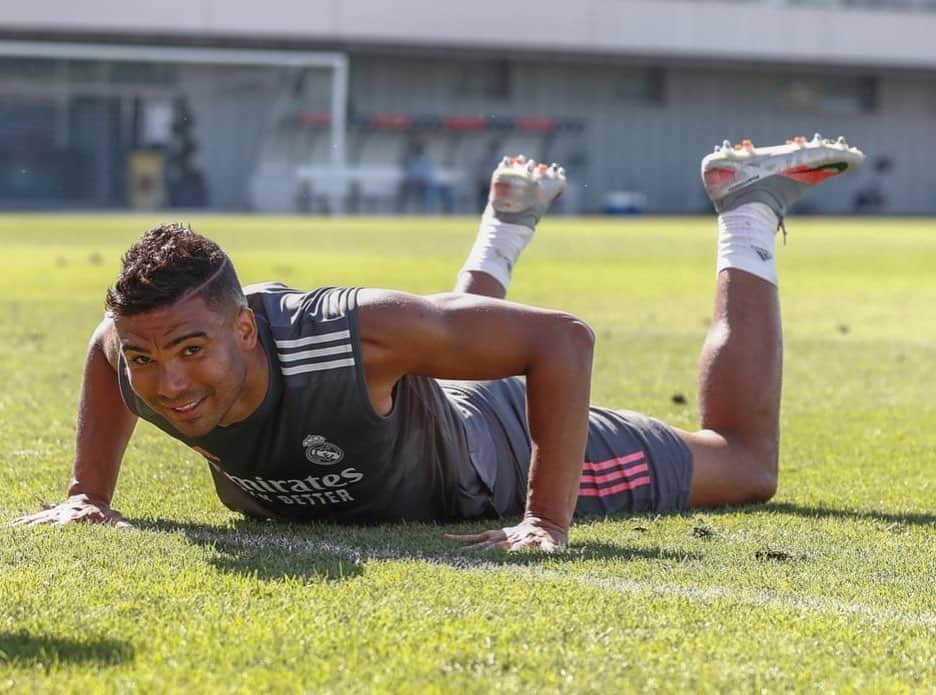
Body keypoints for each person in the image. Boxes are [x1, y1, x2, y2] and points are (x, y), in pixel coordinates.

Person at [11, 135, 864, 551]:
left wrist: (545, 519)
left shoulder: (344, 334)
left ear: (243, 327)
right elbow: (101, 351)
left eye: (190, 351)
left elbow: (563, 342)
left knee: (746, 464)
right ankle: (506, 224)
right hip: (416, 413)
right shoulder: (137, 353)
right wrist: (90, 489)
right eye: (148, 357)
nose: (169, 383)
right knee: (432, 345)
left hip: (488, 449)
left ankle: (746, 205)